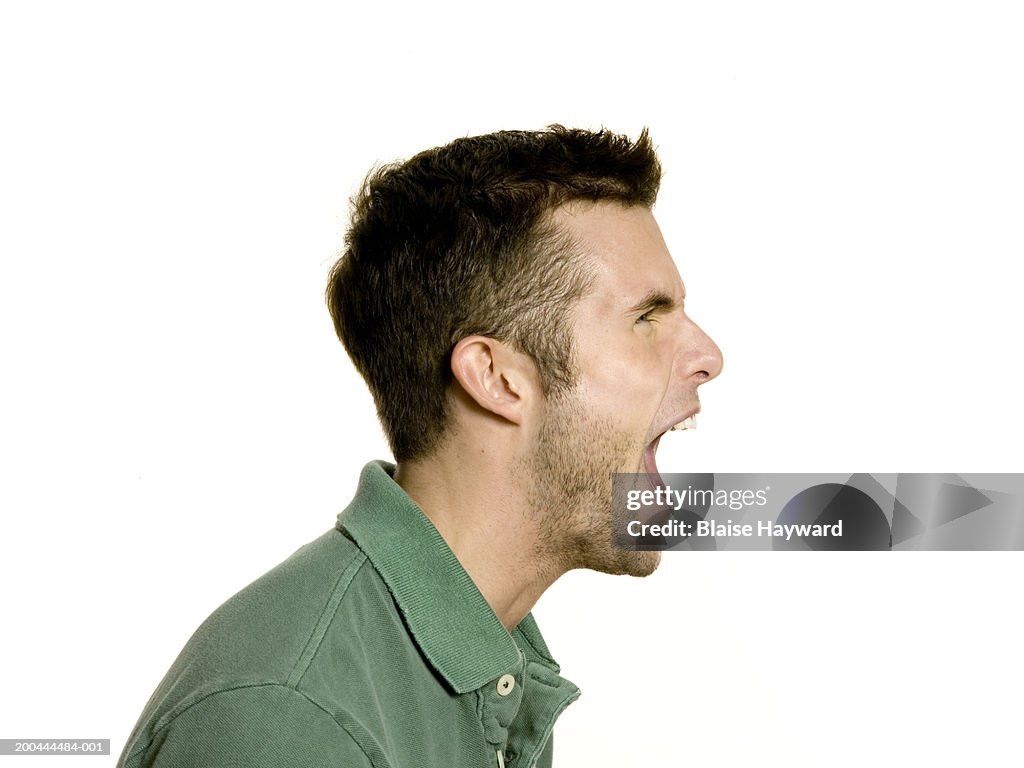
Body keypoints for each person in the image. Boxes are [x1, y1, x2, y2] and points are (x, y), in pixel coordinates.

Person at [117, 125, 723, 768]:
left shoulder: (494, 668)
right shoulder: (293, 718)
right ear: (496, 379)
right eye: (647, 319)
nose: (708, 357)